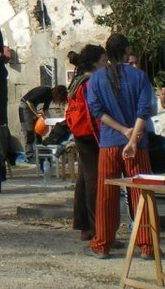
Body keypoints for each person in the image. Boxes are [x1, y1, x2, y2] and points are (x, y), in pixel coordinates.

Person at [86, 33, 155, 260]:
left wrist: (122, 130)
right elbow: (144, 111)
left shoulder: (96, 79)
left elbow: (97, 111)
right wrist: (132, 138)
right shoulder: (139, 76)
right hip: (138, 145)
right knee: (141, 193)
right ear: (127, 51)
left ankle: (102, 244)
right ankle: (147, 245)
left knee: (106, 195)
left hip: (109, 143)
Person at [65, 44, 105, 243]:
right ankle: (98, 230)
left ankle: (84, 226)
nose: (106, 64)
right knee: (94, 182)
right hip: (91, 136)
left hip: (80, 134)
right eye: (103, 60)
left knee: (83, 179)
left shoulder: (77, 81)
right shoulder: (90, 83)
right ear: (95, 62)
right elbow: (94, 113)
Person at [19, 84, 68, 154]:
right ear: (58, 95)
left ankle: (39, 153)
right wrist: (36, 113)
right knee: (28, 132)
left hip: (32, 107)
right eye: (59, 99)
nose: (58, 101)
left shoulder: (50, 96)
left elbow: (45, 110)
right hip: (25, 107)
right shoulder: (44, 91)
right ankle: (29, 155)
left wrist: (51, 123)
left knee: (37, 133)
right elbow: (29, 101)